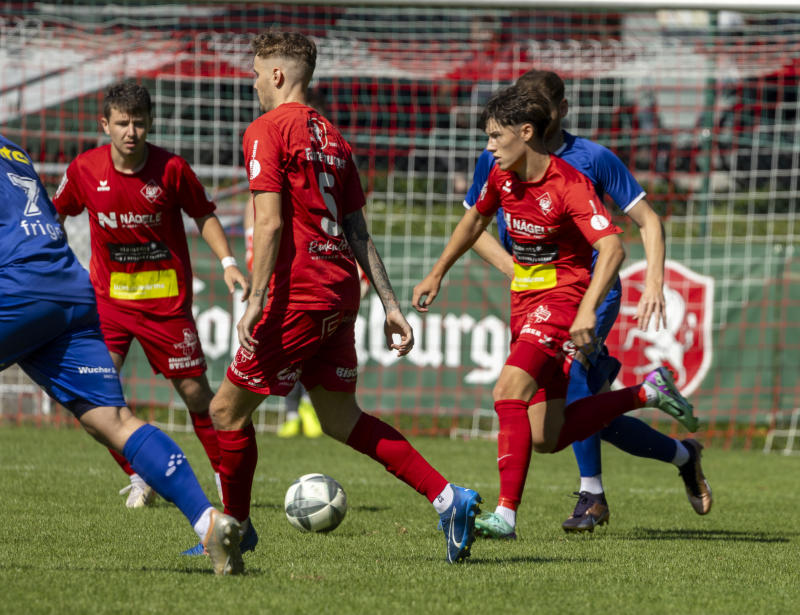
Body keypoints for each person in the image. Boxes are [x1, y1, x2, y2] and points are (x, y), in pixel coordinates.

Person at [199, 31, 481, 568]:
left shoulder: (265, 129)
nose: (254, 84)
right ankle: (449, 499)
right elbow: (357, 229)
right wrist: (390, 305)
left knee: (225, 412)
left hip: (298, 294)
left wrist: (257, 297)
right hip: (338, 292)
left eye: (256, 74)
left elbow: (269, 222)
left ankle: (234, 531)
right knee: (339, 417)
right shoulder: (334, 138)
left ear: (277, 75)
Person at [412, 85, 698, 540]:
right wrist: (437, 272)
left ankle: (507, 516)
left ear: (526, 132)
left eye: (495, 136)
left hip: (564, 300)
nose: (489, 147)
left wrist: (586, 311)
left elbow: (612, 248)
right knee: (545, 436)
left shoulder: (570, 183)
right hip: (525, 300)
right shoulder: (501, 175)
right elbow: (473, 222)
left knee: (507, 391)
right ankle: (645, 394)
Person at [0, 134, 242, 575]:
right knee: (112, 420)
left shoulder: (169, 169)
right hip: (71, 289)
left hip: (21, 288)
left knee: (191, 394)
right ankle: (207, 522)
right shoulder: (13, 149)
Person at [53, 82, 249, 508]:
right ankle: (140, 473)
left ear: (151, 123)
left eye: (139, 123)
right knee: (93, 397)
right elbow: (56, 216)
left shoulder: (171, 168)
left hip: (166, 304)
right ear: (105, 125)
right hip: (109, 303)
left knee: (196, 394)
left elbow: (204, 214)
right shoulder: (84, 170)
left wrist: (229, 262)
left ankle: (224, 478)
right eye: (122, 123)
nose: (131, 132)